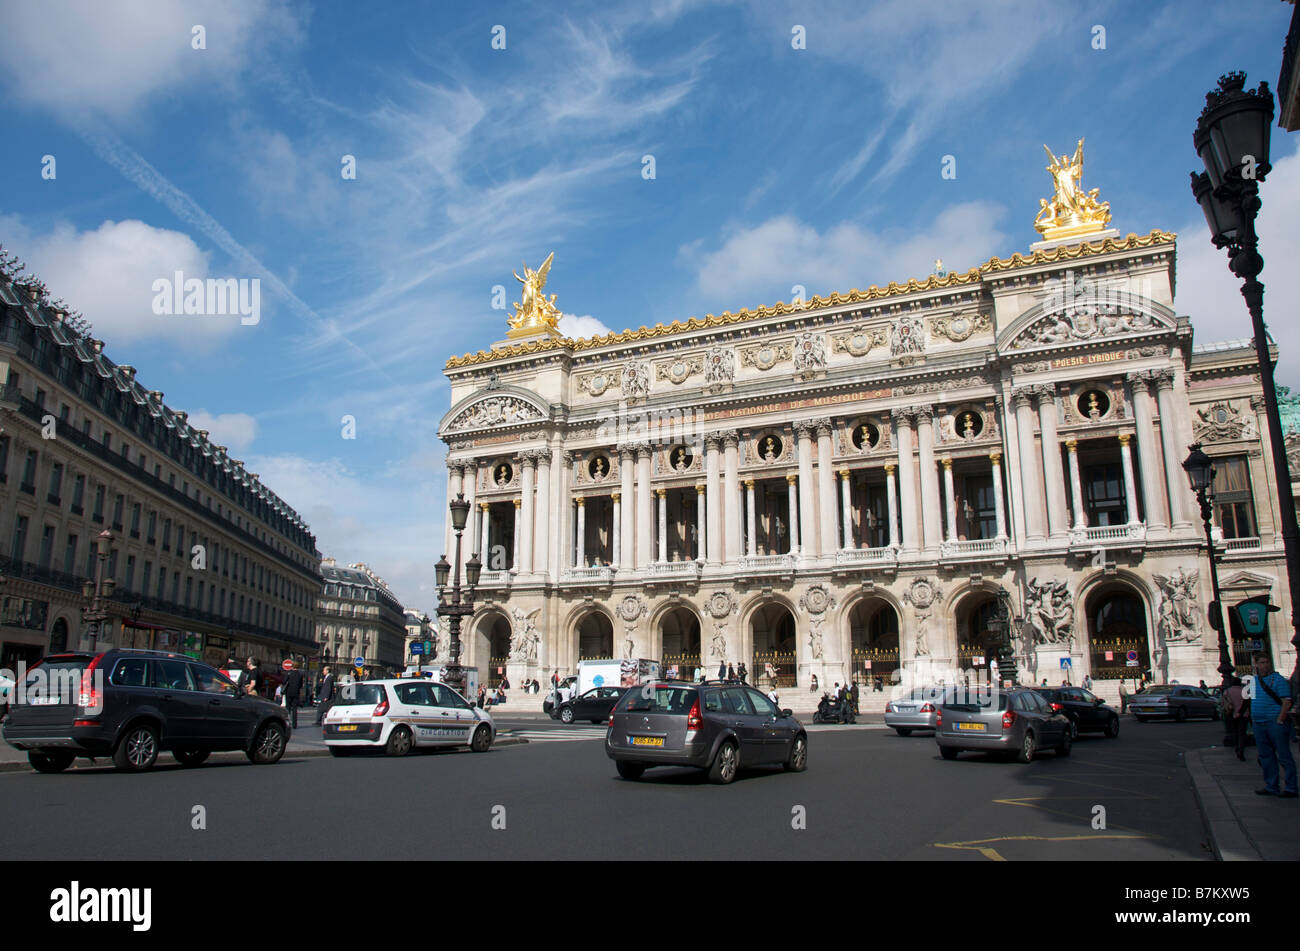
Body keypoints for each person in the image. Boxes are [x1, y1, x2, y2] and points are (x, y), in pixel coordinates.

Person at [1250, 654, 1297, 797]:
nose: (1265, 665)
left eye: (1267, 662)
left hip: (1274, 722)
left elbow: (1286, 702)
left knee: (1283, 756)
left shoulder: (1279, 680)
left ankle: (1291, 788)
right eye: (1262, 662)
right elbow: (1250, 701)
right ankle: (1271, 786)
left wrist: (1280, 720)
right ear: (1256, 664)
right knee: (1265, 756)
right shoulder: (1252, 681)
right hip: (1258, 723)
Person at [1223, 675, 1247, 761]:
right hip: (1243, 714)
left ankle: (1236, 747)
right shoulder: (1244, 691)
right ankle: (1241, 749)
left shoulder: (1227, 691)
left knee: (1234, 732)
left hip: (1231, 714)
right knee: (1242, 733)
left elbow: (1223, 702)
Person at [282, 660, 304, 729]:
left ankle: (287, 722)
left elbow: (284, 682)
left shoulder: (289, 673)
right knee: (294, 709)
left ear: (292, 667)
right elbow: (301, 685)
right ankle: (295, 724)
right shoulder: (300, 674)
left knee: (288, 708)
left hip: (288, 692)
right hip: (296, 693)